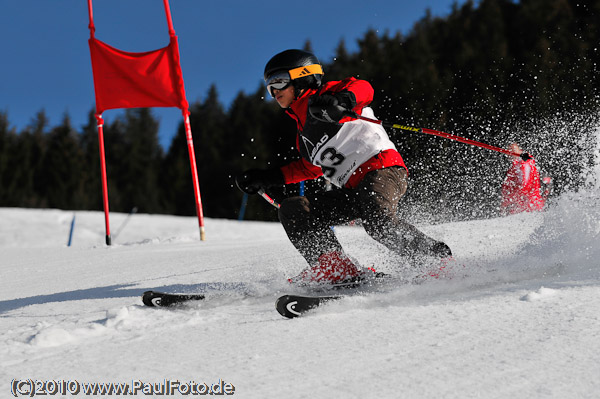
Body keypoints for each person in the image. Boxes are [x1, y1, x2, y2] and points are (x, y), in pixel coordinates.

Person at [235, 49, 451, 284]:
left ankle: (432, 258)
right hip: (352, 190)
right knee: (294, 208)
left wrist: (343, 100)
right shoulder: (303, 136)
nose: (274, 91)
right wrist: (269, 178)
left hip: (382, 169)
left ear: (302, 77)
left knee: (378, 221)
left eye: (279, 82)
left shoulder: (327, 95)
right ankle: (335, 268)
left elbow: (364, 88)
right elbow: (310, 169)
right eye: (269, 86)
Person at [500, 143, 545, 215]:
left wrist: (513, 199)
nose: (510, 153)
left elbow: (526, 184)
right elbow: (507, 187)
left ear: (520, 150)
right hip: (520, 208)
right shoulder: (514, 166)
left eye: (513, 150)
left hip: (531, 207)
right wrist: (504, 204)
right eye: (508, 151)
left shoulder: (526, 163)